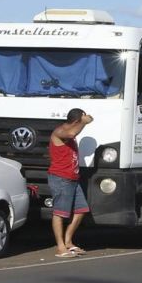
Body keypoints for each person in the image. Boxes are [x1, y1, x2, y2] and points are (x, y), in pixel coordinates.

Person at [49, 108, 92, 258]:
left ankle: (68, 242)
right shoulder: (60, 131)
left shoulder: (71, 132)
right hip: (60, 178)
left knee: (82, 210)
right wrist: (84, 123)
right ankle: (60, 247)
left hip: (73, 178)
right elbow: (72, 133)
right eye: (82, 118)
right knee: (60, 213)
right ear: (76, 121)